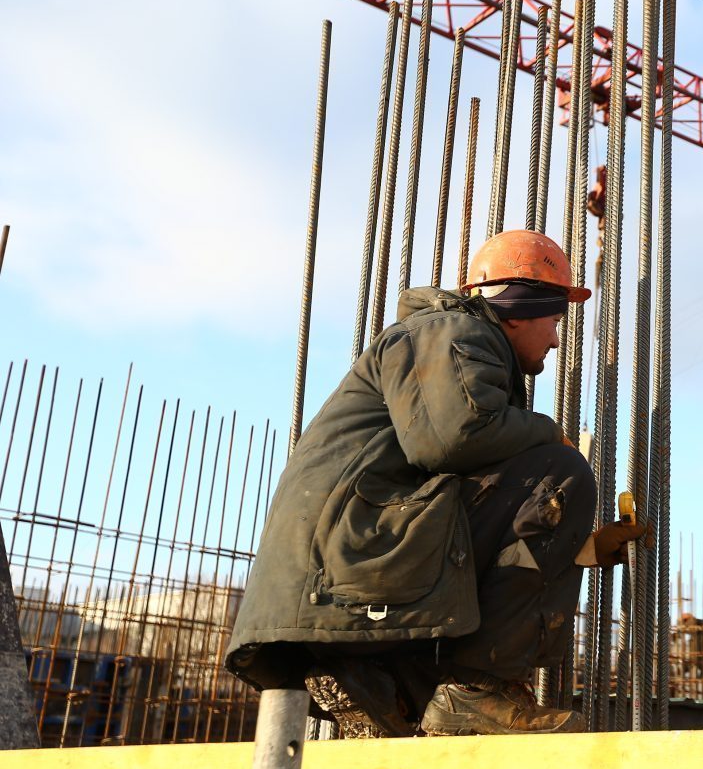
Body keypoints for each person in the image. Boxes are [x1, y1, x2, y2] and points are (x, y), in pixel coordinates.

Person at [225, 230, 648, 737]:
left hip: (355, 548)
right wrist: (551, 433)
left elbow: (471, 493)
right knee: (563, 474)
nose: (557, 340)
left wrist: (575, 548)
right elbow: (452, 440)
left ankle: (384, 678)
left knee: (547, 480)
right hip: (352, 549)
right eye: (554, 321)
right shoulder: (453, 334)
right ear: (519, 308)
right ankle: (476, 690)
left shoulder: (452, 344)